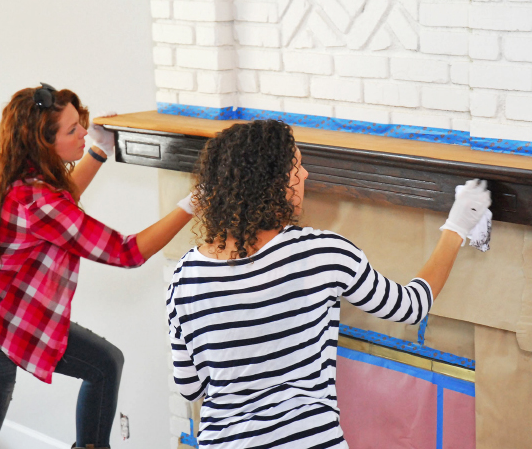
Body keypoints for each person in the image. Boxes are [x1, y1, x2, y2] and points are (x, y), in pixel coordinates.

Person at [166, 120, 491, 449]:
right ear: (273, 188)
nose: (305, 175)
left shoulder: (186, 275)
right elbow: (411, 307)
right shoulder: (322, 254)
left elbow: (190, 388)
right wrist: (458, 225)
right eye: (297, 170)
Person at [0, 84, 194, 449]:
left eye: (80, 124)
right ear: (43, 143)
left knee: (105, 363)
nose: (84, 131)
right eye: (73, 131)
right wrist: (192, 204)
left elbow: (61, 200)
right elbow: (126, 251)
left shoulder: (21, 173)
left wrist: (99, 150)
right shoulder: (36, 198)